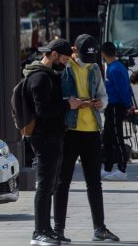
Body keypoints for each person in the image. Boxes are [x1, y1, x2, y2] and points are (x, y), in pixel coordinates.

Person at [53, 34, 119, 243]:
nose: (87, 60)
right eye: (83, 55)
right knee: (63, 182)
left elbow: (103, 94)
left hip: (92, 130)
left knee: (94, 182)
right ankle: (59, 229)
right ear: (74, 50)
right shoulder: (65, 67)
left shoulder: (94, 67)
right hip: (70, 131)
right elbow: (58, 98)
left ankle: (99, 228)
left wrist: (101, 103)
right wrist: (73, 103)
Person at [23, 38, 83, 246]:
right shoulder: (40, 78)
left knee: (50, 186)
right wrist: (68, 105)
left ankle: (47, 229)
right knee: (45, 185)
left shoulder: (47, 75)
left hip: (53, 136)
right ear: (54, 55)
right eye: (64, 59)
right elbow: (43, 111)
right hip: (44, 137)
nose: (65, 64)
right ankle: (38, 232)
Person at [100, 42, 135, 181]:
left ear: (103, 54)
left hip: (116, 106)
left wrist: (128, 105)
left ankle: (122, 169)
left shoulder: (114, 69)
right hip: (112, 106)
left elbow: (122, 89)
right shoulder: (117, 66)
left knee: (116, 137)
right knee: (107, 138)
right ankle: (107, 167)